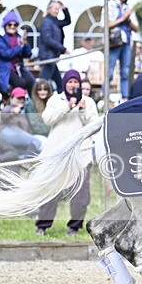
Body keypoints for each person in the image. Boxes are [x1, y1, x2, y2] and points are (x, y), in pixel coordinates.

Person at [35, 70, 99, 236]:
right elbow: (48, 119)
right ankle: (42, 225)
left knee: (80, 194)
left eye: (76, 82)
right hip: (56, 153)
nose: (73, 85)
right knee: (50, 190)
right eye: (70, 82)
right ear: (65, 83)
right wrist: (68, 106)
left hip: (81, 154)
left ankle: (75, 226)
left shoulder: (88, 101)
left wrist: (83, 110)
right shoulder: (56, 99)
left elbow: (94, 125)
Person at [105, 0, 139, 101]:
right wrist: (123, 18)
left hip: (126, 42)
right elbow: (106, 24)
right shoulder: (110, 5)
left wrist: (128, 20)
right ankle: (105, 96)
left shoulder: (127, 7)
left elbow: (136, 28)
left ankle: (125, 97)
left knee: (125, 72)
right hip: (114, 42)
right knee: (109, 71)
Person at [0, 10, 35, 95]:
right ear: (5, 25)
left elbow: (28, 54)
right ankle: (14, 101)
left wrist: (25, 43)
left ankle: (32, 102)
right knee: (20, 83)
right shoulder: (0, 38)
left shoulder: (19, 37)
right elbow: (6, 54)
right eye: (10, 24)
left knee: (31, 81)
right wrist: (20, 46)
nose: (12, 27)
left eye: (15, 24)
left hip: (19, 67)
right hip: (5, 69)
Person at [0, 87, 44, 158]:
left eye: (23, 98)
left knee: (40, 145)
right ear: (11, 98)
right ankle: (27, 161)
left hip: (18, 137)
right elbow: (3, 115)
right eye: (18, 98)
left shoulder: (24, 111)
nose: (21, 100)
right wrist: (13, 111)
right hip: (7, 131)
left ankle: (24, 160)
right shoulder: (8, 108)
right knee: (36, 142)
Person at [38, 0, 71, 92]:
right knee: (42, 84)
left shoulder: (54, 22)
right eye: (55, 9)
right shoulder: (47, 22)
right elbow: (47, 40)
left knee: (59, 84)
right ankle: (35, 99)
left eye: (58, 9)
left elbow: (67, 21)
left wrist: (65, 9)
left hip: (52, 57)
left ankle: (62, 95)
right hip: (48, 58)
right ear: (49, 9)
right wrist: (63, 49)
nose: (57, 11)